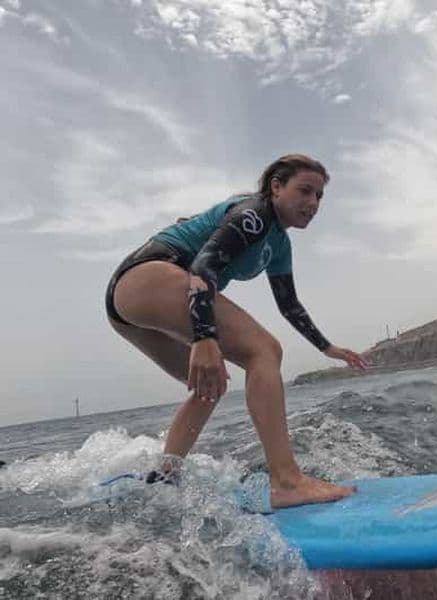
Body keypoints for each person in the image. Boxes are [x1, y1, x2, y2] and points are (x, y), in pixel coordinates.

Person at [105, 154, 367, 508]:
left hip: (129, 302)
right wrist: (205, 337)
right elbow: (203, 268)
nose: (313, 203)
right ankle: (287, 481)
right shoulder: (254, 214)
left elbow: (289, 304)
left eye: (319, 196)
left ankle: (165, 476)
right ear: (276, 186)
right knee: (265, 350)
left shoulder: (279, 245)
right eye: (305, 190)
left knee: (211, 383)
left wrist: (326, 347)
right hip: (146, 277)